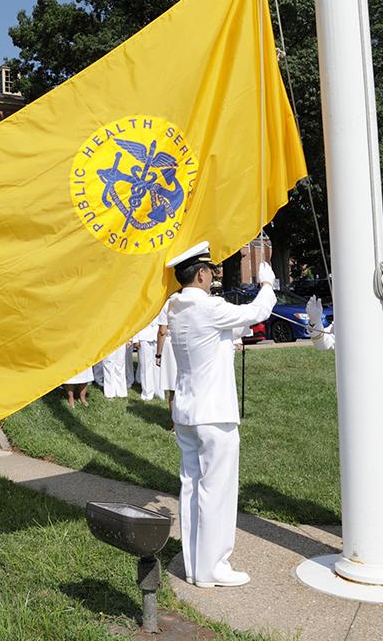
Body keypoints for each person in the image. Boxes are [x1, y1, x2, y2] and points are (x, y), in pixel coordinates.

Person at [167, 240, 276, 588]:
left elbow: (219, 334)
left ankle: (196, 565)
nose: (214, 276)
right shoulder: (210, 308)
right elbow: (257, 314)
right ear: (200, 273)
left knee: (192, 488)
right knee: (217, 491)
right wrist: (268, 284)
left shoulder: (176, 307)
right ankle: (214, 567)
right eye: (211, 271)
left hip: (186, 412)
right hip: (214, 413)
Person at [306, 293, 383, 541]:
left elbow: (380, 352)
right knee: (359, 462)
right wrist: (315, 322)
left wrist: (344, 337)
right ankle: (362, 524)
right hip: (355, 396)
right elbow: (324, 344)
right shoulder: (348, 310)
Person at [134, 312, 164, 401]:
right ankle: (147, 393)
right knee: (145, 366)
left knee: (158, 365)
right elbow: (136, 321)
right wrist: (135, 339)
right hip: (143, 336)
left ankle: (159, 391)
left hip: (158, 336)